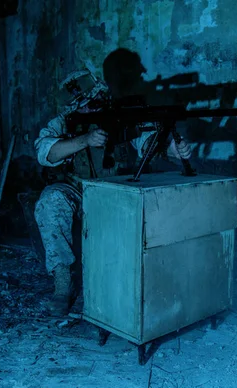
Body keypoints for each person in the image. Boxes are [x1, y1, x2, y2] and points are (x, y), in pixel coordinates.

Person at [33, 67, 192, 316]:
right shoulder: (62, 122)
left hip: (117, 191)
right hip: (77, 189)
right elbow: (45, 153)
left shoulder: (120, 116)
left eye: (95, 102)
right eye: (84, 106)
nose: (91, 109)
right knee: (50, 201)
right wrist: (84, 140)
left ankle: (139, 284)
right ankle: (63, 281)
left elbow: (148, 142)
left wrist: (174, 150)